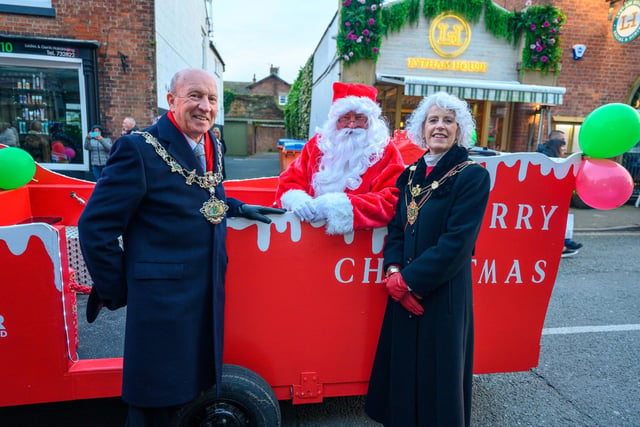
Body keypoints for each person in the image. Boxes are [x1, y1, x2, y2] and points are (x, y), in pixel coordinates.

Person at [78, 68, 284, 426]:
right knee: (154, 403)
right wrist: (121, 288)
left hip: (205, 295)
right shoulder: (138, 149)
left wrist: (237, 207)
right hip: (161, 305)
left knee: (190, 393)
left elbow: (202, 196)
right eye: (194, 96)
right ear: (171, 100)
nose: (204, 106)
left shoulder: (213, 144)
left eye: (212, 98)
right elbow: (96, 226)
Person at [365, 92, 490, 427]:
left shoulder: (471, 175)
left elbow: (457, 243)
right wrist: (393, 272)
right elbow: (396, 232)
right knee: (404, 373)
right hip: (401, 289)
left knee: (439, 380)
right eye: (433, 120)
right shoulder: (408, 175)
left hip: (442, 295)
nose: (440, 127)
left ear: (459, 129)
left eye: (448, 121)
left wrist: (408, 282)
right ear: (422, 128)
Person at [275, 82, 405, 234]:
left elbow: (392, 201)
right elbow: (289, 180)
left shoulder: (384, 150)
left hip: (362, 243)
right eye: (345, 118)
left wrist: (336, 206)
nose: (351, 125)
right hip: (309, 236)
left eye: (359, 118)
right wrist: (297, 200)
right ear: (335, 121)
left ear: (370, 121)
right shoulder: (318, 145)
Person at [536, 130, 583, 257]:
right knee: (552, 222)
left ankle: (564, 242)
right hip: (544, 197)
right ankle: (560, 245)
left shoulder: (547, 153)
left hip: (550, 196)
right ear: (556, 142)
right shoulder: (547, 156)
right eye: (562, 144)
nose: (564, 148)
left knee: (558, 220)